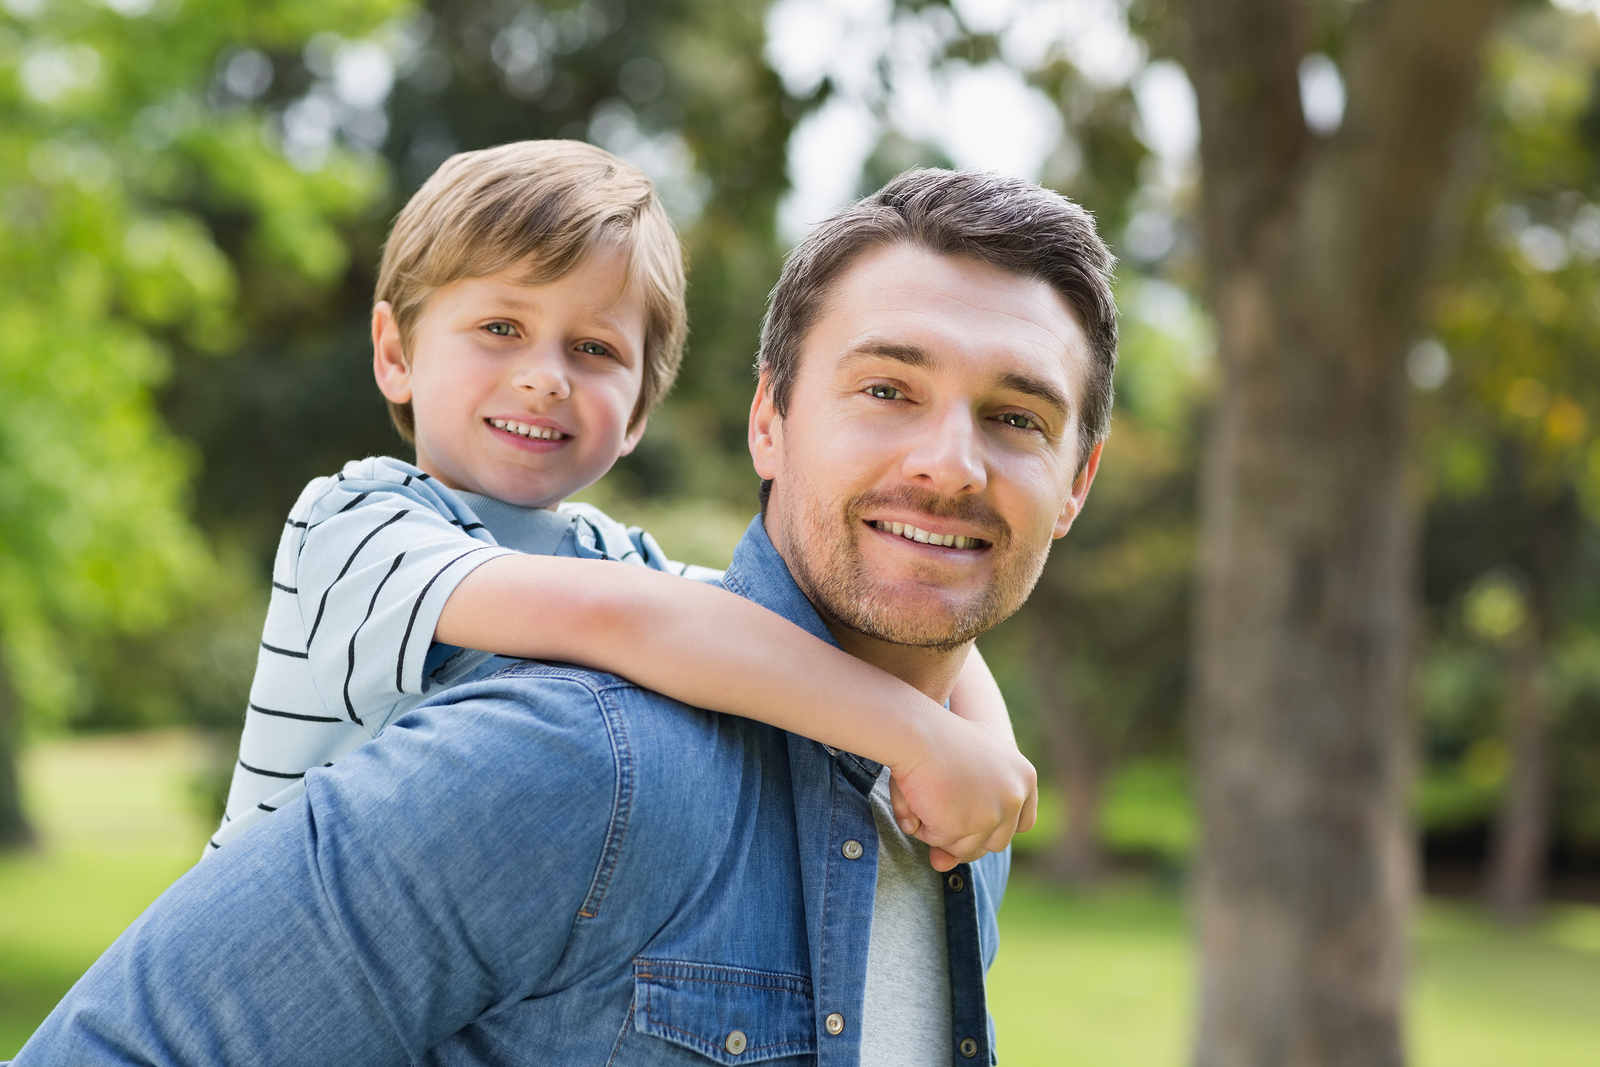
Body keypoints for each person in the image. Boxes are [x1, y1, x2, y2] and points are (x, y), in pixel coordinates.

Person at [12, 166, 1116, 1066]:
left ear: (1077, 478)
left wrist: (978, 752)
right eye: (886, 389)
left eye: (1016, 414)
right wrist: (923, 735)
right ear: (766, 423)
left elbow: (701, 618)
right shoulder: (393, 555)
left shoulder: (937, 811)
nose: (948, 464)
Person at [210, 139, 1034, 868]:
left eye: (595, 348)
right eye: (500, 326)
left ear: (640, 407)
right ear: (396, 353)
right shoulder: (357, 525)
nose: (545, 376)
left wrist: (982, 745)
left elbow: (823, 629)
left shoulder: (618, 562)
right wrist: (920, 738)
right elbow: (625, 621)